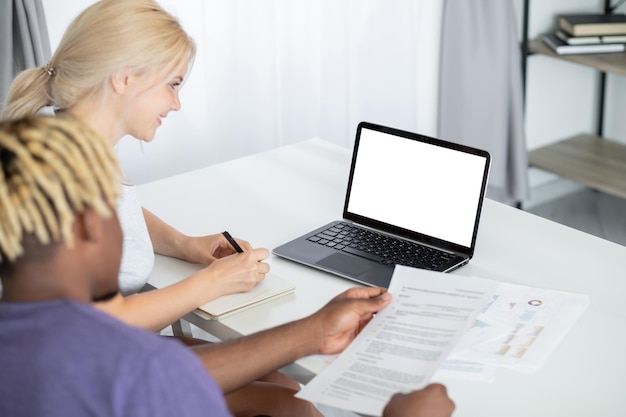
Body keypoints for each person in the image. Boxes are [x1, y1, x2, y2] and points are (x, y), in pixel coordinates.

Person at [0, 115, 456, 416]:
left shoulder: (34, 333)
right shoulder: (110, 367)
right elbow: (145, 374)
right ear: (86, 227)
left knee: (283, 396)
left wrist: (314, 331)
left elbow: (165, 373)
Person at [1, 1, 309, 415]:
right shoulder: (58, 171)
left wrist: (183, 244)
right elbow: (94, 325)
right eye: (174, 84)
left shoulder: (63, 137)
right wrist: (213, 282)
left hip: (95, 354)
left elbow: (119, 205)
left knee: (279, 375)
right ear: (126, 77)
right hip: (79, 373)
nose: (177, 104)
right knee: (290, 404)